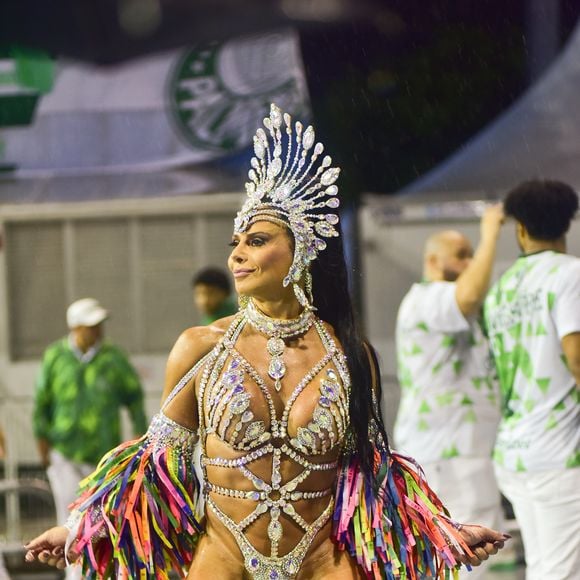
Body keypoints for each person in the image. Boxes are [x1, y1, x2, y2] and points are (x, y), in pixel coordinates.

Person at [24, 105, 508, 580]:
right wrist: (79, 527)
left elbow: (373, 475)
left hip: (323, 560)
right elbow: (155, 464)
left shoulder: (350, 354)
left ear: (302, 251)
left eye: (255, 241)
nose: (237, 254)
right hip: (224, 557)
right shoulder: (201, 347)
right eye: (235, 243)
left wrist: (445, 530)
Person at [393, 211, 504, 579]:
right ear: (432, 262)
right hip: (448, 455)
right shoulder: (429, 299)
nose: (469, 262)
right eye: (461, 254)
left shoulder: (442, 303)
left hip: (457, 452)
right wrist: (490, 236)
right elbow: (469, 296)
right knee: (471, 563)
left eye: (472, 253)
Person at [483, 180, 580, 580]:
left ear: (520, 229)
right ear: (567, 225)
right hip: (559, 452)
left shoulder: (501, 289)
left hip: (515, 451)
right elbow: (576, 357)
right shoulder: (570, 275)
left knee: (543, 566)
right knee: (562, 572)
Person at [32, 298, 148, 579]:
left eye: (99, 325)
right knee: (70, 518)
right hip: (65, 452)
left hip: (104, 456)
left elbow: (134, 397)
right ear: (76, 327)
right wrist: (42, 444)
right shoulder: (55, 356)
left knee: (105, 518)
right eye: (91, 326)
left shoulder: (113, 358)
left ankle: (106, 573)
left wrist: (139, 435)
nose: (98, 330)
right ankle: (76, 575)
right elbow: (42, 403)